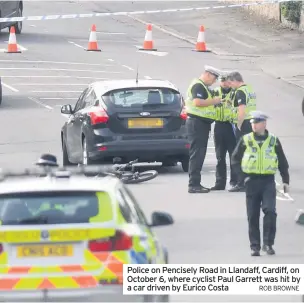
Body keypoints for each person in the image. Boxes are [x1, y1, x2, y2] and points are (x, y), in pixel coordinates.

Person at [231, 111, 290, 256]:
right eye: (252, 123)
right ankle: (255, 246)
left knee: (270, 211)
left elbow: (282, 161)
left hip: (268, 181)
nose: (253, 125)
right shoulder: (246, 140)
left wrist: (285, 181)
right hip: (251, 181)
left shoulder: (273, 140)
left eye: (256, 123)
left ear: (264, 124)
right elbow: (235, 159)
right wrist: (243, 178)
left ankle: (268, 244)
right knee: (253, 215)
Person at [185, 65, 222, 193]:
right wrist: (214, 101)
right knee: (197, 154)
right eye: (214, 78)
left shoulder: (203, 86)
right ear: (207, 74)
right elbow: (198, 103)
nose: (214, 82)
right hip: (197, 124)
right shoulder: (198, 85)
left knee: (199, 154)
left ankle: (196, 183)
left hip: (200, 124)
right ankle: (193, 184)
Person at [226, 71, 257, 192]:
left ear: (235, 81)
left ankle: (241, 183)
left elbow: (242, 110)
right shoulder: (249, 88)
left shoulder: (240, 91)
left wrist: (238, 124)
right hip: (252, 123)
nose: (230, 86)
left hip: (244, 124)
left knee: (239, 155)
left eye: (230, 83)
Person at [210, 74, 237, 190]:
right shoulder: (214, 92)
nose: (225, 83)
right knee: (220, 157)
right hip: (219, 125)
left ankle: (235, 182)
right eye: (222, 81)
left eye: (227, 81)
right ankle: (220, 183)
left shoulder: (235, 93)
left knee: (234, 156)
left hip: (231, 126)